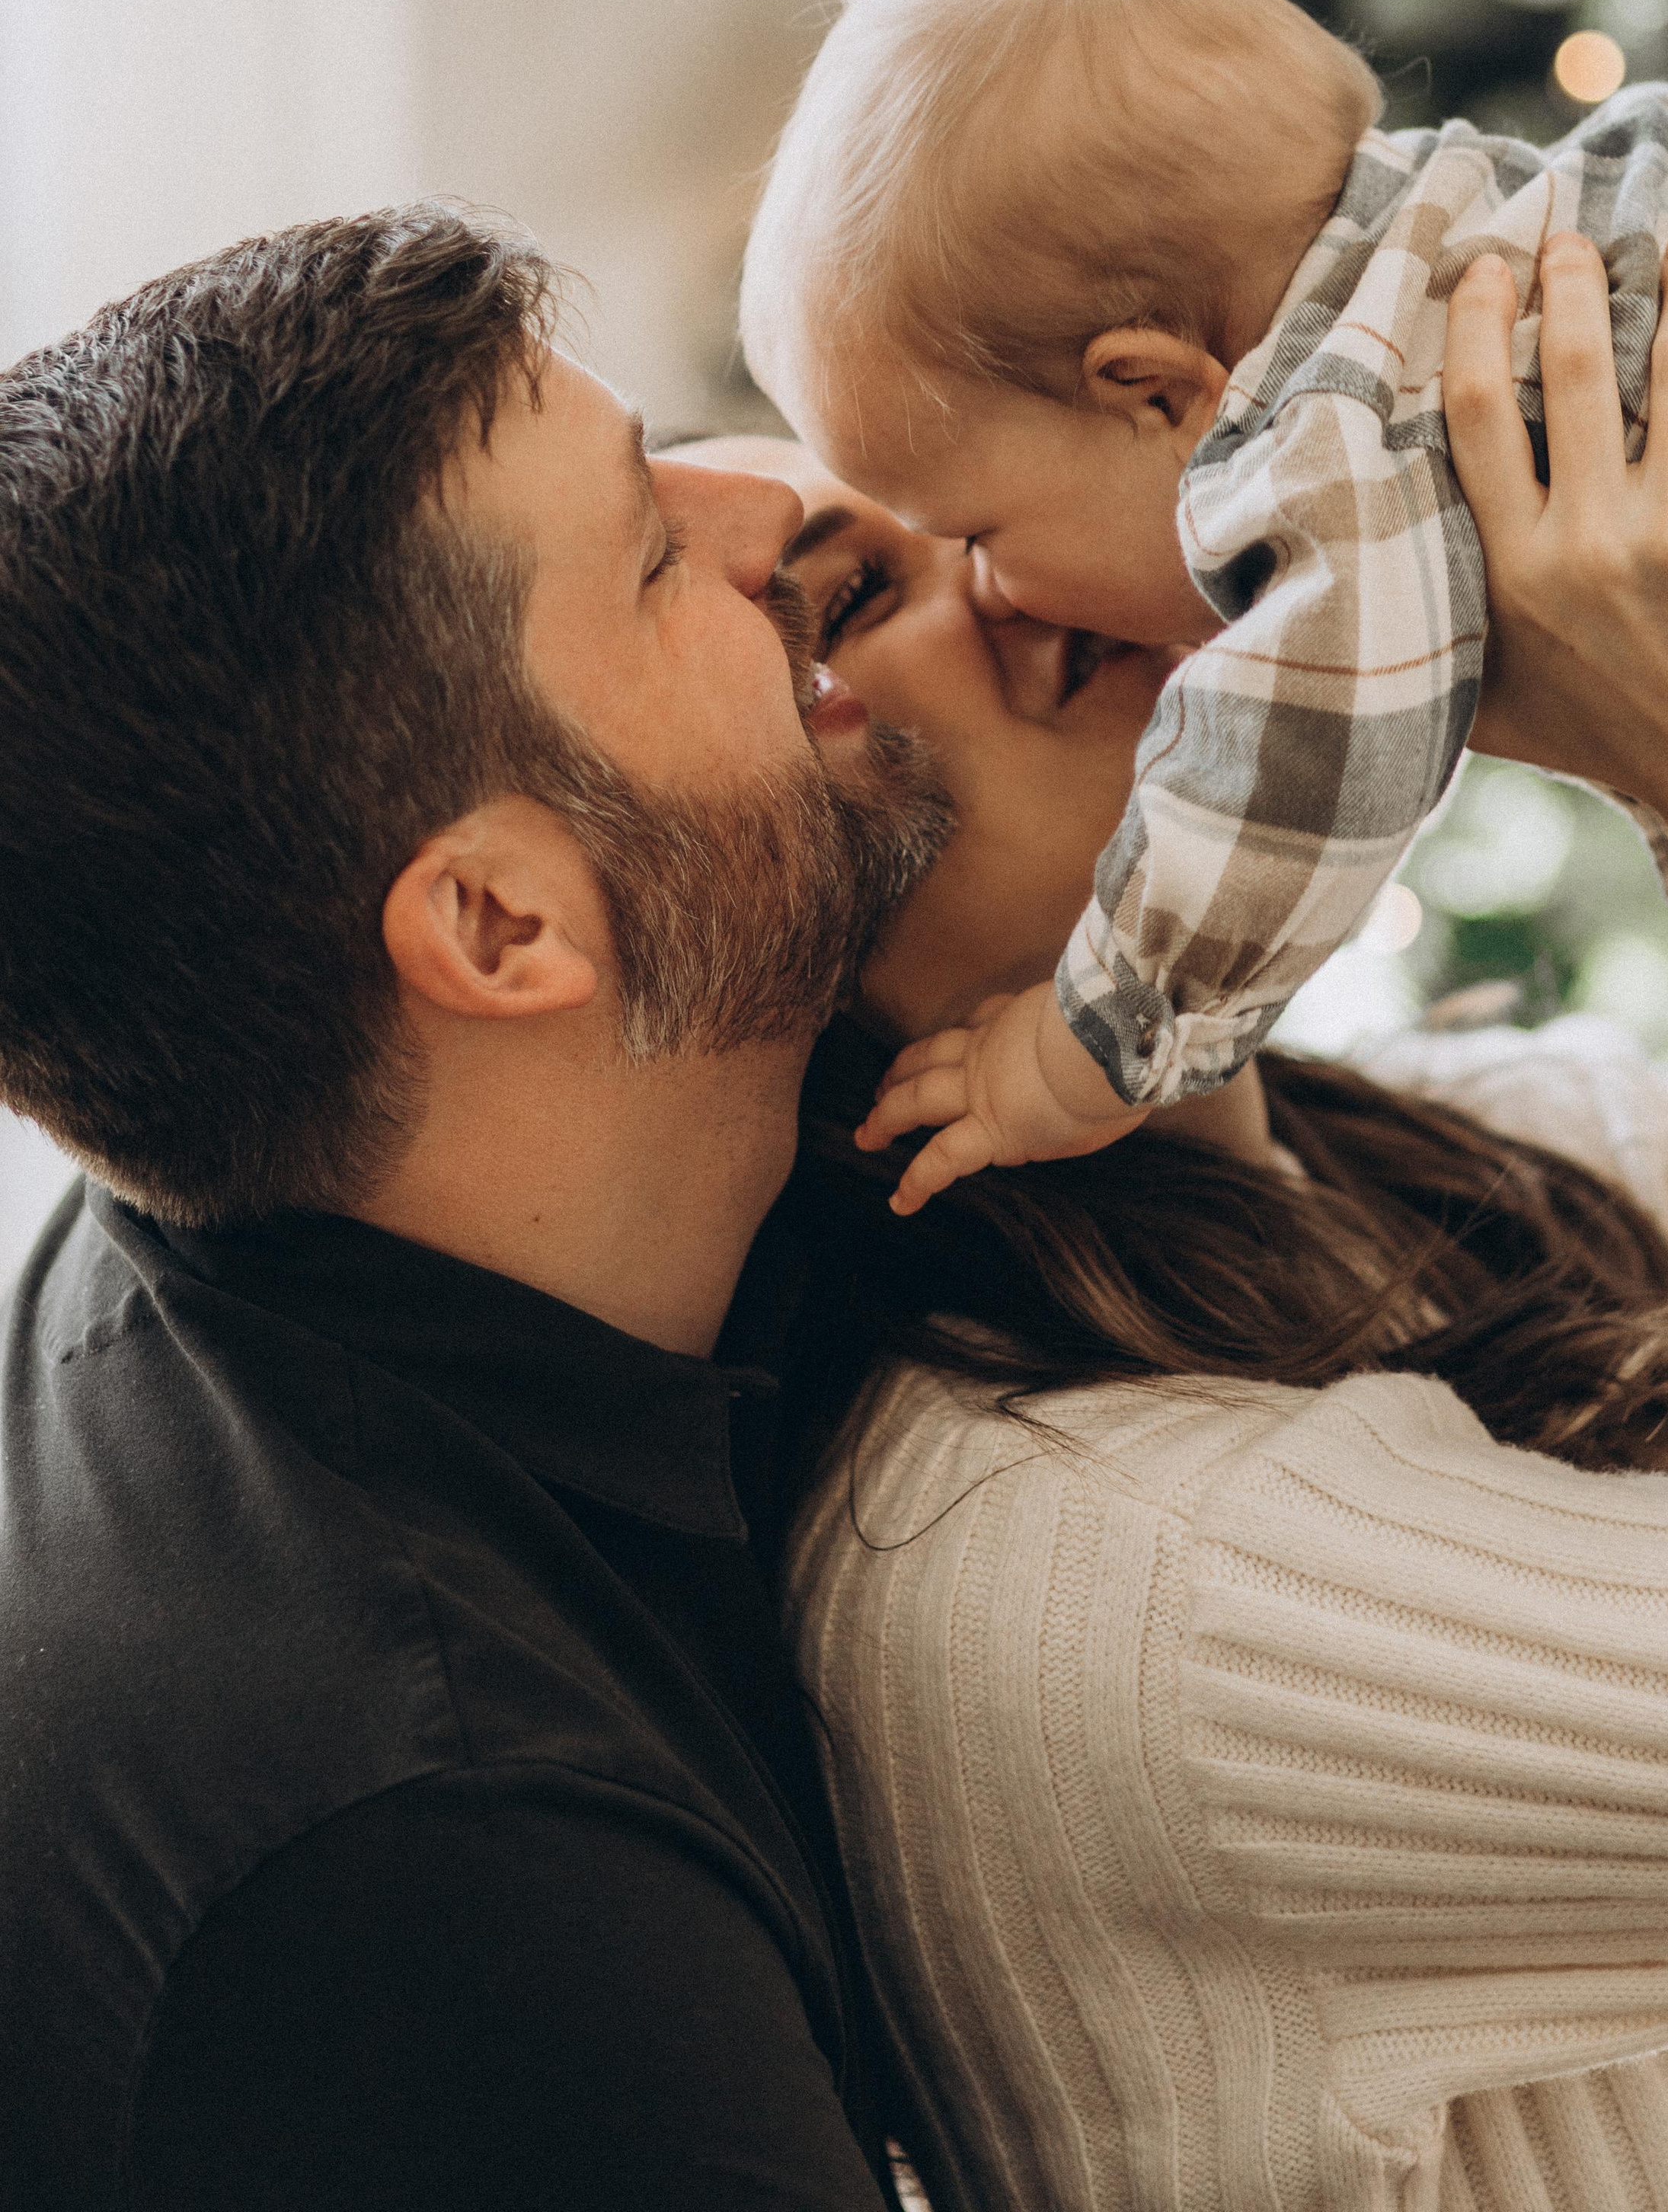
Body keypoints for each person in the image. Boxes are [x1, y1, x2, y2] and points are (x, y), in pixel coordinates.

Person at [692, 224, 1668, 2212]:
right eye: (861, 596)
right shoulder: (1102, 1569)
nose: (1031, 576)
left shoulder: (1473, 1147)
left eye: (979, 508)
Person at [0, 204, 956, 2210]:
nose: (775, 508)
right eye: (648, 550)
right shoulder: (453, 1874)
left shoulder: (277, 1198)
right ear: (503, 922)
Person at [738, 0, 1668, 1213]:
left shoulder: (1329, 459)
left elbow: (1297, 766)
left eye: (979, 533)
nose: (1000, 591)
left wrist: (1086, 1046)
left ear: (1153, 394)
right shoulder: (1574, 191)